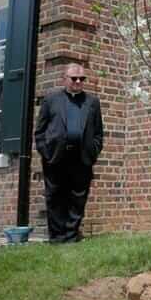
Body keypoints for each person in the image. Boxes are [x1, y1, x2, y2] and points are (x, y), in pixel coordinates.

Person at [34, 63, 104, 243]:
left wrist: (93, 152)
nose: (78, 82)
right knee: (55, 196)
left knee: (78, 198)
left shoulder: (92, 102)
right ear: (64, 79)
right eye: (74, 78)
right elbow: (40, 131)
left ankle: (71, 236)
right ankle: (57, 237)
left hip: (81, 158)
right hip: (56, 157)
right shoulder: (51, 100)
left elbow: (98, 133)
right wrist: (46, 153)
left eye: (82, 79)